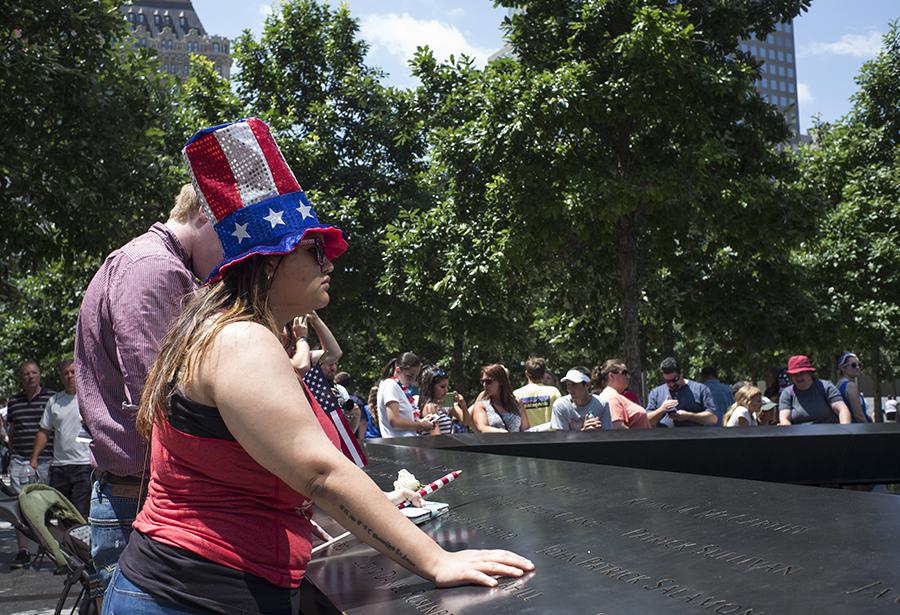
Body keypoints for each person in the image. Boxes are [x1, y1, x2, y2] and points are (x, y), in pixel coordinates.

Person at [102, 118, 533, 614]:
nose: (329, 262)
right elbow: (320, 474)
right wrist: (436, 561)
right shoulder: (241, 338)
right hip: (192, 598)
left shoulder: (219, 329)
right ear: (267, 262)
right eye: (313, 249)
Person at [75, 182, 223, 588]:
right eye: (231, 239)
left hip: (140, 495)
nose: (234, 258)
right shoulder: (154, 267)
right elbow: (161, 395)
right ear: (205, 214)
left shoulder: (158, 263)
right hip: (138, 501)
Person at [6, 360, 55, 569]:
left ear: (40, 374)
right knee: (18, 505)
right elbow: (11, 429)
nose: (30, 377)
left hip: (45, 459)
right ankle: (23, 550)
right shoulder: (14, 401)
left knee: (44, 505)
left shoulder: (51, 398)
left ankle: (49, 547)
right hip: (18, 459)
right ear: (21, 377)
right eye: (26, 374)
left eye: (34, 372)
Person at [29, 359, 92, 517]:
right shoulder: (54, 401)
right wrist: (34, 459)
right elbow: (44, 431)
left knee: (80, 512)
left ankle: (79, 542)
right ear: (61, 377)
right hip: (60, 466)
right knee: (61, 513)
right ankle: (64, 542)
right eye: (65, 373)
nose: (70, 376)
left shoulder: (90, 398)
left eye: (73, 372)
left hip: (84, 465)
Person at [778, 355, 851, 425]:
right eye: (795, 374)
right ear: (790, 376)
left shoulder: (826, 387)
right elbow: (784, 418)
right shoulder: (787, 393)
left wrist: (845, 431)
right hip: (800, 436)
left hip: (828, 434)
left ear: (810, 373)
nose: (798, 377)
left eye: (802, 373)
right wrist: (785, 424)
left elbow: (842, 410)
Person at [646, 357, 718, 427]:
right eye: (667, 381)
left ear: (681, 373)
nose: (671, 384)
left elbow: (712, 419)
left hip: (693, 437)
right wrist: (662, 409)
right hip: (664, 438)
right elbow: (647, 420)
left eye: (675, 379)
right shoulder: (656, 393)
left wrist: (688, 416)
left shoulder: (700, 389)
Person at [377, 352, 433, 437]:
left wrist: (420, 422)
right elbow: (394, 421)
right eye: (409, 376)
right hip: (397, 446)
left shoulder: (399, 388)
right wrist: (420, 425)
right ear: (398, 370)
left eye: (415, 377)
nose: (412, 381)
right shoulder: (390, 385)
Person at [470, 364, 530, 433]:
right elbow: (482, 428)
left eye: (488, 381)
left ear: (500, 381)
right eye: (482, 381)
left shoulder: (517, 403)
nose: (484, 385)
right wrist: (501, 432)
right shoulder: (481, 405)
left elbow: (525, 429)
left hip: (515, 443)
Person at [593, 360, 651, 429]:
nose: (628, 376)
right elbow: (618, 428)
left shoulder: (614, 396)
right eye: (624, 373)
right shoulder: (611, 397)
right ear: (611, 376)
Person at [419, 366, 469, 435]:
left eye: (447, 387)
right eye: (442, 387)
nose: (446, 390)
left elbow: (465, 422)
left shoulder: (446, 401)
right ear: (431, 388)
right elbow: (436, 435)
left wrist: (463, 405)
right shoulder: (430, 406)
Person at [513, 357, 561, 427]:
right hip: (551, 436)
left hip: (526, 437)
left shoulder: (516, 394)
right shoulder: (553, 392)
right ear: (543, 373)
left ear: (526, 373)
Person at [835, 352, 871, 423]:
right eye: (853, 365)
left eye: (859, 365)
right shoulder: (850, 386)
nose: (857, 367)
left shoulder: (838, 385)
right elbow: (858, 415)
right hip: (856, 429)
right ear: (843, 368)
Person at [335, 372, 370, 441]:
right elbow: (363, 423)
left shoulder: (330, 398)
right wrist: (361, 441)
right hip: (352, 439)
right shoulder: (356, 401)